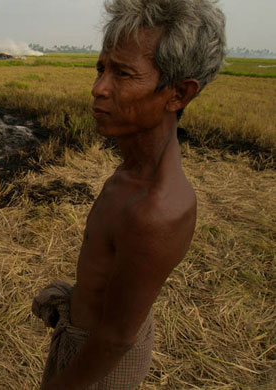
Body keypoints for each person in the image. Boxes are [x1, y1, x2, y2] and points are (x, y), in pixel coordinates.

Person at [32, 0, 226, 389]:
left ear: (178, 94)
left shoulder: (157, 211)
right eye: (101, 68)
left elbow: (117, 337)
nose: (98, 88)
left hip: (101, 368)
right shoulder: (131, 172)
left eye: (122, 74)